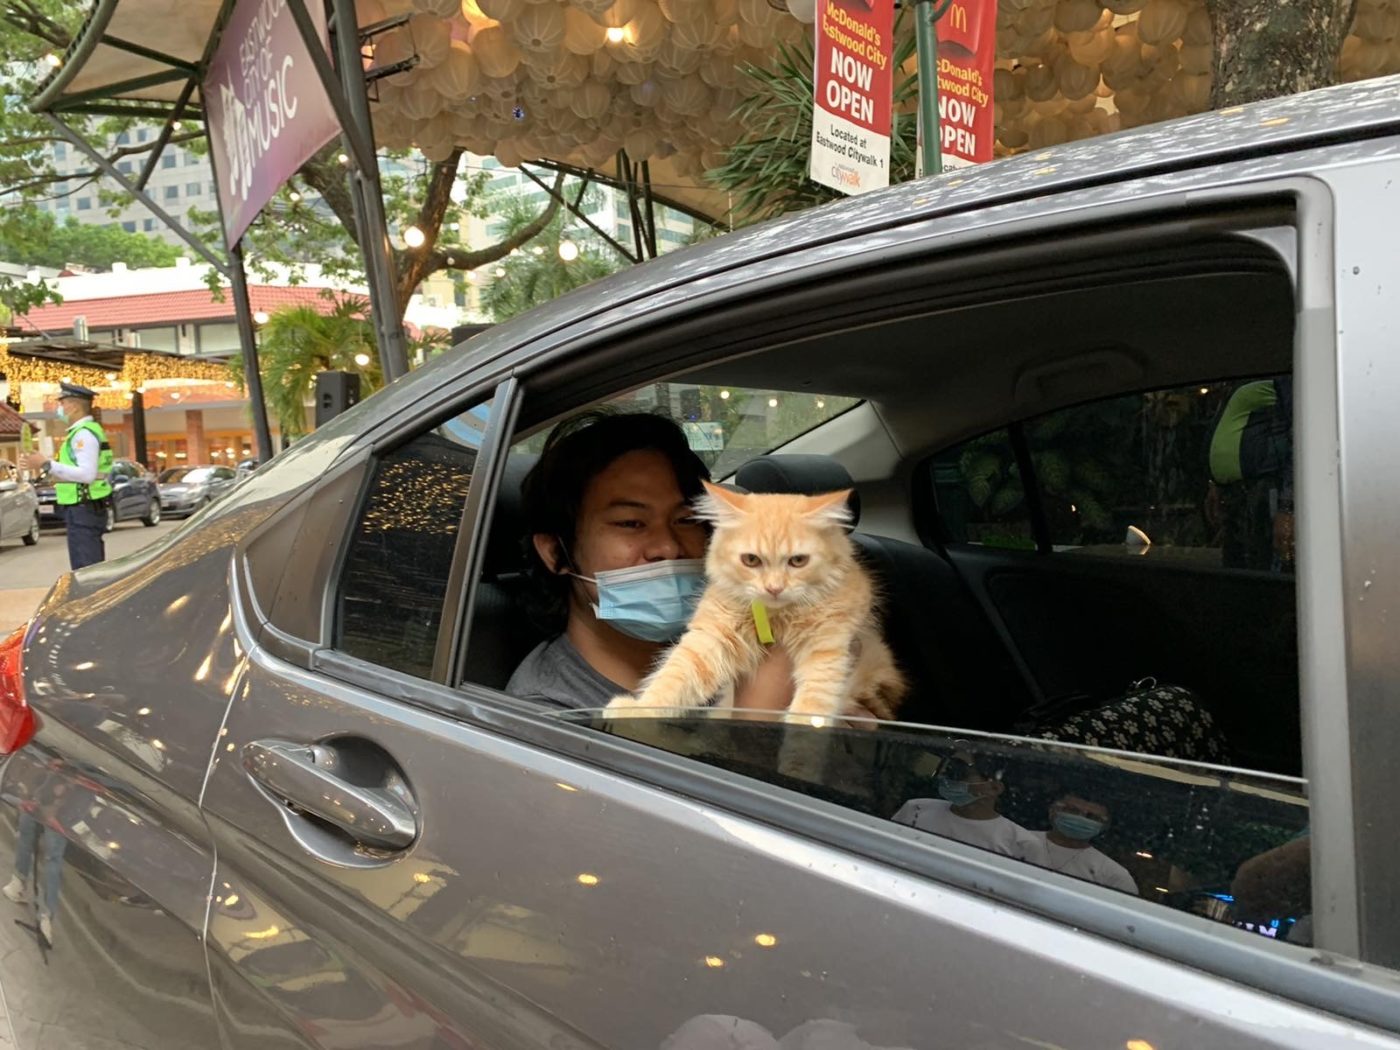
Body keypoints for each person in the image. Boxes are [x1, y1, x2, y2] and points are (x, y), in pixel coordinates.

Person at [507, 411, 792, 711]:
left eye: (685, 519)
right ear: (555, 552)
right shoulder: (550, 712)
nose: (668, 547)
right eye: (631, 523)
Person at [22, 381, 113, 570]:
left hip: (83, 509)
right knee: (88, 567)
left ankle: (90, 600)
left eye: (62, 403)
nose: (60, 408)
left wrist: (46, 464)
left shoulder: (83, 435)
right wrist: (42, 467)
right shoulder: (82, 433)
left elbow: (86, 475)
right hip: (85, 508)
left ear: (74, 406)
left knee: (86, 570)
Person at [890, 749, 1038, 858]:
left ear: (994, 788)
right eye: (949, 770)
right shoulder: (915, 810)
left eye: (961, 772)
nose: (948, 778)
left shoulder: (1021, 843)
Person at [1021, 792, 1139, 895]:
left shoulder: (1113, 875)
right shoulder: (1015, 841)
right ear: (1053, 811)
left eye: (1092, 817)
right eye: (1072, 811)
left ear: (1104, 825)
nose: (1081, 819)